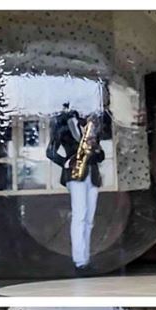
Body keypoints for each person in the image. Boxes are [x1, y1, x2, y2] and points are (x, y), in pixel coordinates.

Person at [46, 105, 105, 272]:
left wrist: (97, 148)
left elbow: (100, 157)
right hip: (75, 175)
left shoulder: (90, 125)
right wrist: (67, 162)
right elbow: (50, 152)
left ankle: (86, 259)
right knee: (79, 216)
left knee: (89, 220)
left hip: (92, 175)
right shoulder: (61, 123)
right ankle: (79, 261)